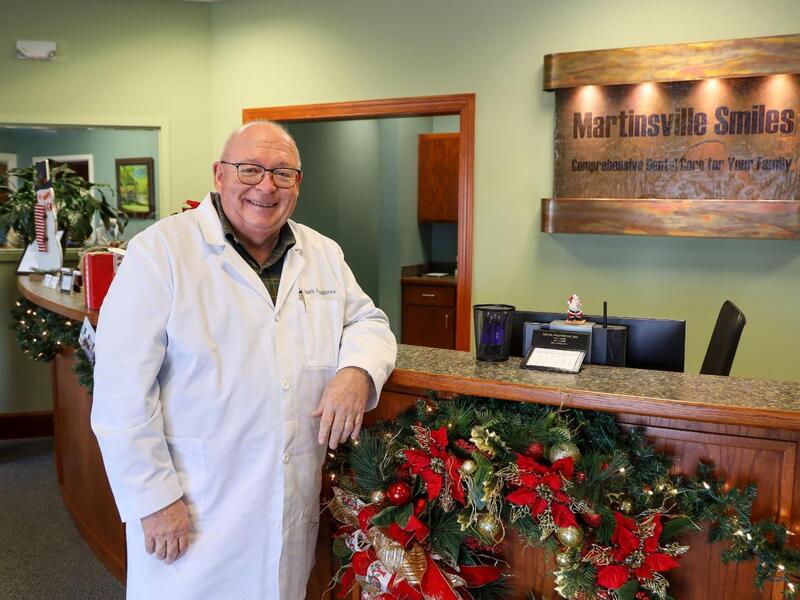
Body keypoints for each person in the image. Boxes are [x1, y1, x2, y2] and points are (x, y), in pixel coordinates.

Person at [91, 121, 397, 599]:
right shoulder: (161, 253)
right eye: (250, 170)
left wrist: (357, 371)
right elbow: (119, 393)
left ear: (298, 183)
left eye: (283, 173)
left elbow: (369, 322)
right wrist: (153, 499)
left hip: (286, 506)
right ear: (219, 175)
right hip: (193, 506)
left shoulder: (321, 254)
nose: (266, 186)